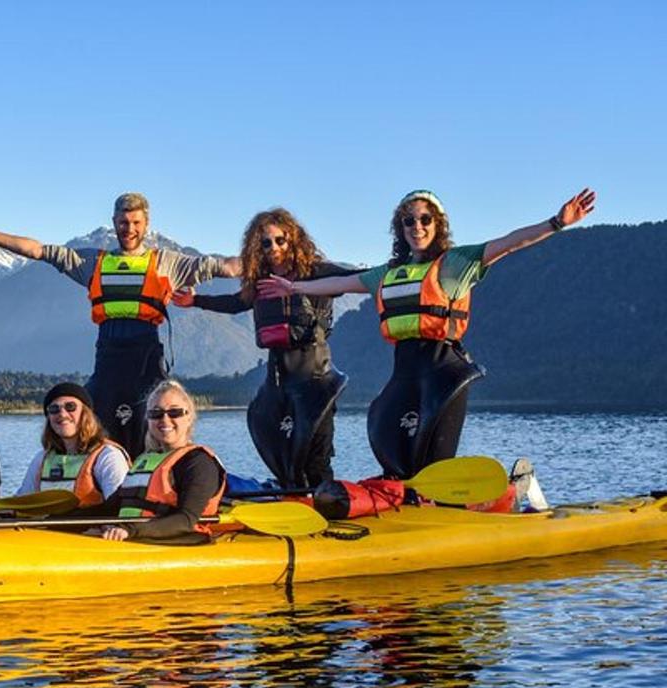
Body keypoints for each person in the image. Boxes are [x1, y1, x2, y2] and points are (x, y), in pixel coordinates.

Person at [259, 188, 596, 478]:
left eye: (425, 219)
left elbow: (509, 243)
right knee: (391, 449)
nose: (417, 227)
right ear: (400, 228)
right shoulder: (389, 273)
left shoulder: (455, 263)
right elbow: (340, 283)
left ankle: (458, 507)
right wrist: (293, 287)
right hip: (405, 375)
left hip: (444, 376)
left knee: (433, 466)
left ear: (438, 224)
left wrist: (557, 223)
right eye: (409, 220)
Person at [0, 193, 241, 458]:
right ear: (114, 223)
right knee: (84, 417)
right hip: (108, 357)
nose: (129, 229)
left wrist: (275, 257)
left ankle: (174, 478)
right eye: (123, 222)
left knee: (163, 416)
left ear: (147, 224)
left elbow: (226, 267)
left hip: (146, 357)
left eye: (136, 223)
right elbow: (39, 250)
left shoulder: (166, 262)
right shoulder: (92, 262)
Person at [174, 208, 358, 488]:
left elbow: (358, 279)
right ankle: (291, 498)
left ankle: (324, 505)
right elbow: (237, 302)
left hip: (315, 374)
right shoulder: (261, 280)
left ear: (292, 238)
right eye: (265, 243)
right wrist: (196, 301)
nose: (273, 247)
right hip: (279, 376)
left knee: (316, 457)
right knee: (284, 449)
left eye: (280, 240)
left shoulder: (316, 272)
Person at [95, 380, 227, 545]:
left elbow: (186, 520)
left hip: (178, 545)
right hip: (134, 539)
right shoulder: (145, 461)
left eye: (174, 412)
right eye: (156, 414)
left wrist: (130, 530)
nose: (165, 419)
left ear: (189, 417)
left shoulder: (199, 463)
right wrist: (58, 518)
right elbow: (107, 509)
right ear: (148, 420)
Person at [17, 382, 130, 508]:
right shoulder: (41, 459)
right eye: (54, 409)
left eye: (70, 407)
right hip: (44, 527)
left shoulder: (108, 456)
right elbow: (22, 502)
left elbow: (121, 507)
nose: (62, 414)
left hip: (94, 527)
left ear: (86, 413)